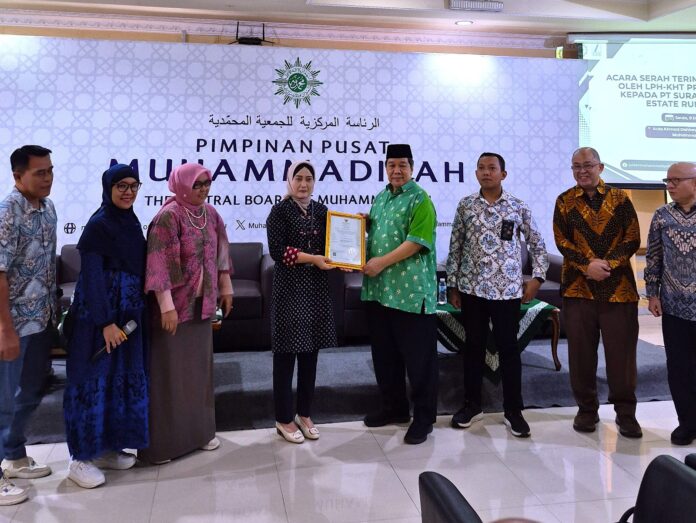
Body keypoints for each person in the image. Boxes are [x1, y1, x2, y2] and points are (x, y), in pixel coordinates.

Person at [446, 152, 548, 438]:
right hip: (472, 290)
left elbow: (538, 244)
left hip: (507, 292)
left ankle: (513, 411)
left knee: (509, 350)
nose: (486, 172)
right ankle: (472, 406)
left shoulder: (518, 206)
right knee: (473, 349)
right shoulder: (466, 205)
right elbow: (456, 246)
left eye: (492, 168)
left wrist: (538, 278)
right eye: (481, 168)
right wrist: (453, 285)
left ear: (503, 174)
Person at [62, 164, 149, 488]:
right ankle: (80, 458)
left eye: (133, 186)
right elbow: (92, 279)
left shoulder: (131, 222)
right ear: (108, 187)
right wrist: (106, 322)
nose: (128, 192)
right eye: (121, 186)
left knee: (119, 381)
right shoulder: (98, 225)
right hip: (98, 321)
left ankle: (108, 447)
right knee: (92, 383)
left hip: (129, 318)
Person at [141, 163, 233, 463]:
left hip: (202, 307)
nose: (204, 189)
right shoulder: (168, 217)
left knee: (198, 373)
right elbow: (158, 264)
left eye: (207, 183)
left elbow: (221, 252)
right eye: (197, 184)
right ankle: (164, 446)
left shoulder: (210, 214)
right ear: (181, 185)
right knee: (170, 376)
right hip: (174, 310)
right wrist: (166, 307)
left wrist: (226, 287)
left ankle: (200, 434)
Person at [553, 147, 642, 438]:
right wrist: (586, 266)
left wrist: (608, 264)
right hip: (578, 290)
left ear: (600, 167)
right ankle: (586, 410)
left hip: (619, 290)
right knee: (580, 356)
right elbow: (562, 242)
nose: (582, 171)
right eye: (576, 166)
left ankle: (626, 414)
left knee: (622, 357)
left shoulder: (620, 199)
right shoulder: (564, 201)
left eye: (588, 165)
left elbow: (632, 239)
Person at [361, 143, 439, 445]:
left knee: (419, 361)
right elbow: (379, 234)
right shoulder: (381, 197)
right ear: (385, 168)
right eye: (391, 165)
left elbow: (416, 242)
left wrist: (380, 262)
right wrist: (363, 226)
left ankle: (424, 418)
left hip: (410, 294)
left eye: (402, 165)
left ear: (412, 168)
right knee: (385, 357)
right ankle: (394, 408)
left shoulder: (420, 199)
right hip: (380, 292)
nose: (396, 170)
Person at [0, 145, 57, 506]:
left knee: (31, 392)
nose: (48, 178)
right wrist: (4, 329)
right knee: (3, 401)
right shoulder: (7, 212)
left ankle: (14, 454)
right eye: (40, 172)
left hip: (41, 319)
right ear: (18, 175)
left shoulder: (48, 208)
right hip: (12, 324)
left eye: (50, 170)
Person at [266, 160, 337, 444]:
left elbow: (334, 246)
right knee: (285, 356)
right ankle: (283, 418)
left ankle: (304, 414)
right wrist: (313, 259)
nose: (304, 184)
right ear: (289, 180)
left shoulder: (322, 211)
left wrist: (346, 259)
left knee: (310, 354)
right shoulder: (279, 211)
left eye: (309, 178)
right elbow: (277, 251)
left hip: (316, 290)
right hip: (289, 290)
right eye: (299, 178)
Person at [645, 162, 696, 445]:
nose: (670, 185)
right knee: (678, 367)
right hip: (673, 306)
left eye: (676, 180)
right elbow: (654, 257)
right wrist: (652, 293)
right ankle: (686, 423)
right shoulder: (662, 215)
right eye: (668, 180)